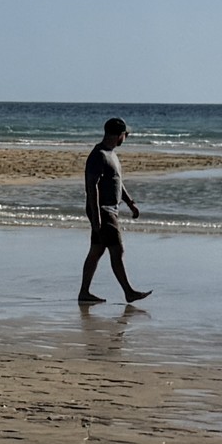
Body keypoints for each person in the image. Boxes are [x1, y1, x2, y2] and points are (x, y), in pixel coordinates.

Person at [78, 115, 151, 306]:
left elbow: (117, 182)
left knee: (96, 250)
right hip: (104, 210)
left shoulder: (111, 154)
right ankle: (128, 292)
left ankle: (84, 292)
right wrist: (96, 216)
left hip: (110, 209)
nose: (125, 138)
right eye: (125, 135)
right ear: (118, 135)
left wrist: (130, 202)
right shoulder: (99, 155)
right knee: (117, 249)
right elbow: (91, 186)